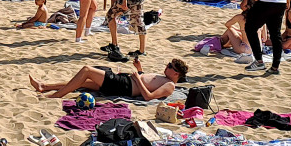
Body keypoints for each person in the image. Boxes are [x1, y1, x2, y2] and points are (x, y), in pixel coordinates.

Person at [29, 57, 187, 100]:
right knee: (84, 82)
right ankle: (45, 86)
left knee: (86, 70)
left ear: (176, 74)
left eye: (170, 67)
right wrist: (139, 70)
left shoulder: (170, 85)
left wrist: (137, 79)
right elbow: (148, 83)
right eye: (168, 64)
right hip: (125, 82)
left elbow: (148, 96)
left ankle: (57, 95)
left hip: (124, 86)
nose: (167, 67)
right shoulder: (165, 78)